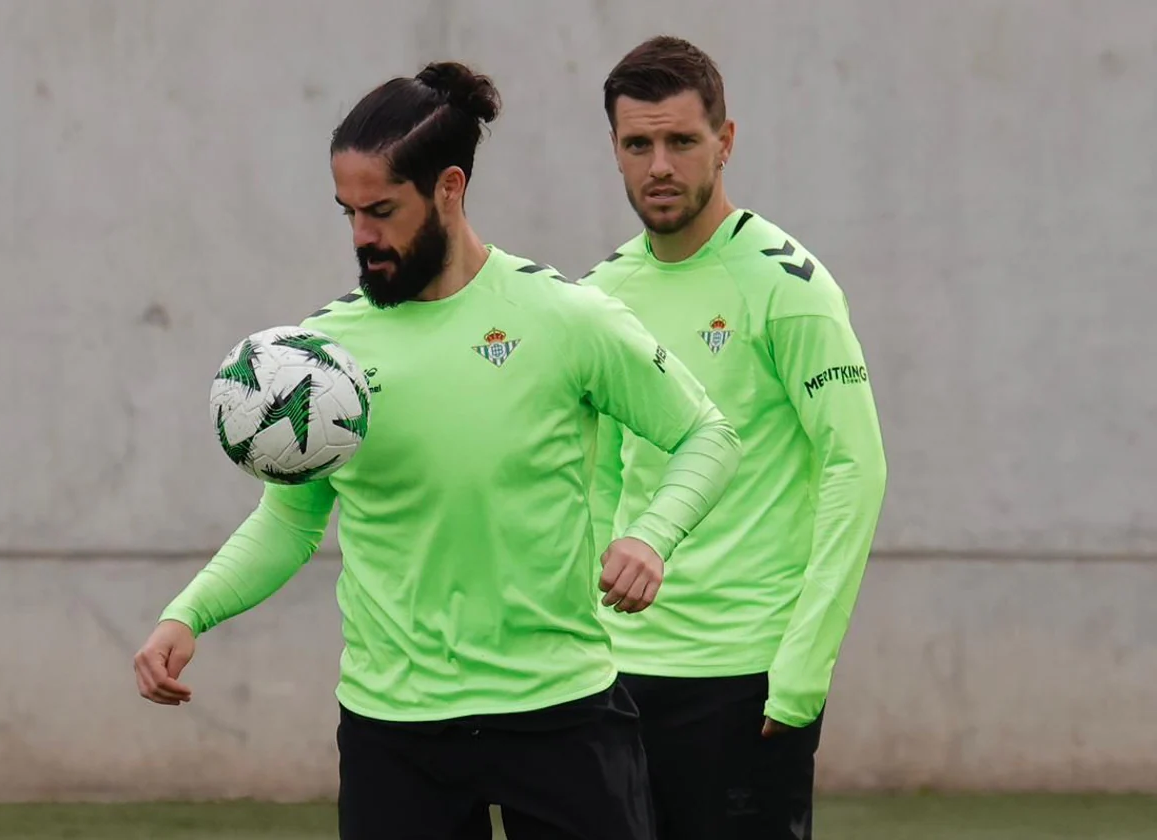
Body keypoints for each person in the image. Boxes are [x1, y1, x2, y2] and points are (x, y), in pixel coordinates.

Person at [132, 61, 741, 840]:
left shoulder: (566, 318)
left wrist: (652, 537)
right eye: (348, 212)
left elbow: (708, 435)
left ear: (449, 189)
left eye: (382, 210)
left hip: (561, 710)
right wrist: (189, 615)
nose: (362, 236)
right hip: (396, 730)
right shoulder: (325, 358)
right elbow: (289, 523)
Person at [582, 37, 888, 840]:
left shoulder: (788, 288)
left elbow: (857, 470)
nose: (659, 165)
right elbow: (598, 476)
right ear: (613, 149)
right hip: (616, 672)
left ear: (726, 140)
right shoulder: (600, 296)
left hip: (745, 677)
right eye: (637, 144)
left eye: (682, 141)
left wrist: (802, 670)